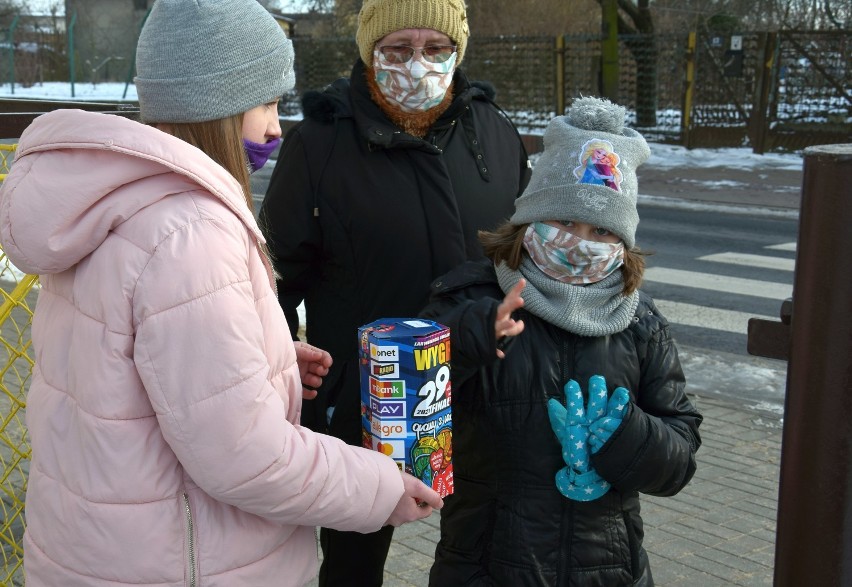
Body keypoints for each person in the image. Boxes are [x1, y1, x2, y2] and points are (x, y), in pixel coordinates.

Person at [0, 1, 443, 585]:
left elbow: (141, 373)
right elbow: (244, 456)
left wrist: (267, 360)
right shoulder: (191, 231)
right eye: (266, 103)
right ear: (216, 105)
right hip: (187, 561)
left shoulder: (114, 203)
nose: (277, 127)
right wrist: (381, 488)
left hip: (105, 549)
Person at [259, 0, 531, 583]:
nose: (418, 64)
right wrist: (285, 367)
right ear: (368, 52)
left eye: (435, 48)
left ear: (458, 51)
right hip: (367, 404)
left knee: (481, 555)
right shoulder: (322, 142)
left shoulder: (496, 132)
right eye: (397, 48)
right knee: (354, 565)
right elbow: (273, 277)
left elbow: (527, 261)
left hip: (484, 393)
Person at [419, 96, 703, 586]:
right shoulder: (468, 300)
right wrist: (472, 337)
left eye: (600, 230)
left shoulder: (639, 322)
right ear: (530, 220)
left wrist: (626, 435)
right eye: (565, 222)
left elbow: (678, 461)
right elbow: (407, 404)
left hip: (609, 571)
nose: (579, 241)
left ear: (623, 241)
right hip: (484, 567)